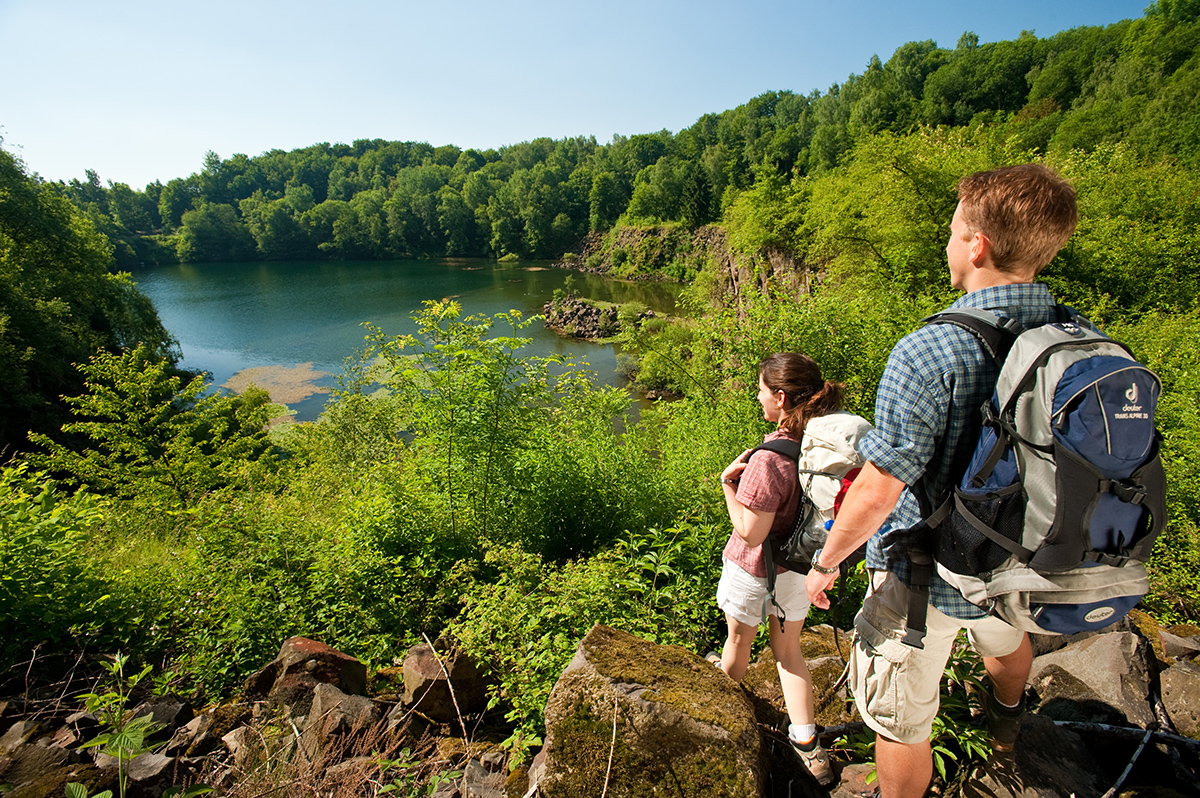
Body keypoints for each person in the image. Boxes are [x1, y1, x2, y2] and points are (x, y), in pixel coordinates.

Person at [804, 163, 1079, 798]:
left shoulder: (929, 351)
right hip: (1024, 564)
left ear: (976, 244)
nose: (947, 241)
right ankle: (1006, 726)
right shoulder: (1067, 334)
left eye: (953, 230)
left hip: (926, 575)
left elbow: (880, 487)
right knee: (1007, 644)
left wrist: (826, 561)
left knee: (900, 724)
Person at [714, 352, 845, 787]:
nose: (758, 397)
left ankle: (716, 726)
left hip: (754, 569)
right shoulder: (822, 446)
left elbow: (751, 533)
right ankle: (808, 746)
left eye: (761, 390)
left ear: (781, 397)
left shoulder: (769, 459)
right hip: (801, 569)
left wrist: (729, 486)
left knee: (736, 646)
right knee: (789, 654)